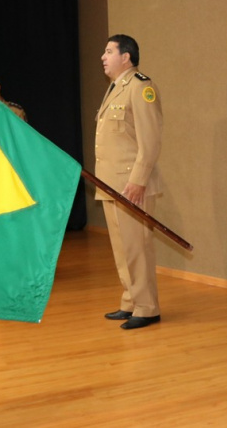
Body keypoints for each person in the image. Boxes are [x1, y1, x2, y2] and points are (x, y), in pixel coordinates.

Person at [95, 34, 163, 330]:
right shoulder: (115, 88)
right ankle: (131, 301)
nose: (103, 56)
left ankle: (147, 307)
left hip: (132, 185)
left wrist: (138, 181)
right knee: (122, 248)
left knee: (137, 248)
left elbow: (150, 140)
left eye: (108, 51)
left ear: (126, 57)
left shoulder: (141, 87)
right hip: (111, 183)